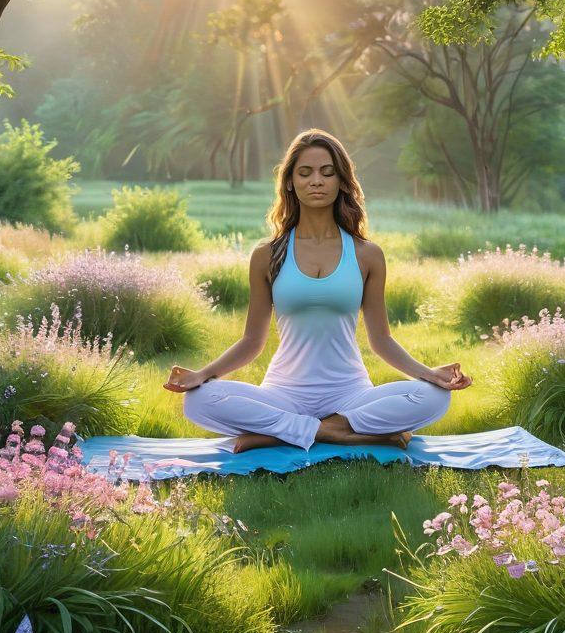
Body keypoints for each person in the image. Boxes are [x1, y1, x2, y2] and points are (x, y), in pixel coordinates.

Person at [163, 128, 472, 454]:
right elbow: (252, 341)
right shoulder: (267, 254)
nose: (316, 181)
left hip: (351, 394)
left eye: (327, 172)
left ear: (342, 182)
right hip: (283, 394)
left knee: (435, 397)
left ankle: (286, 433)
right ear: (290, 182)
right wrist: (203, 374)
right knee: (198, 401)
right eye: (305, 173)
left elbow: (381, 340)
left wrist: (429, 374)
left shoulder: (367, 254)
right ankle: (339, 432)